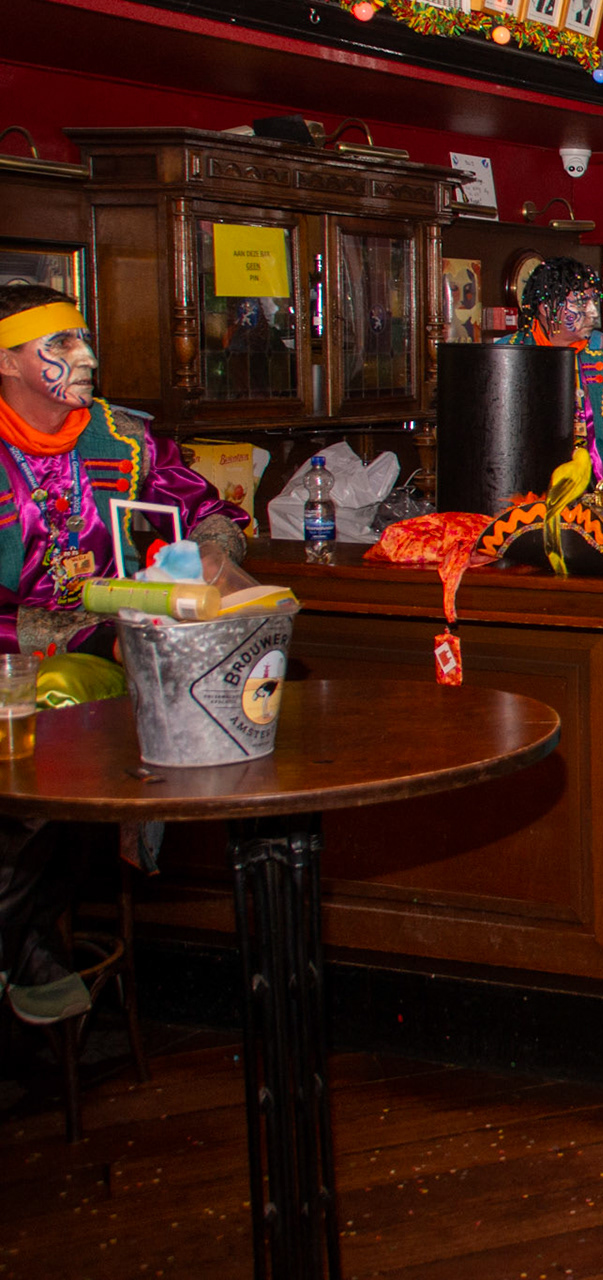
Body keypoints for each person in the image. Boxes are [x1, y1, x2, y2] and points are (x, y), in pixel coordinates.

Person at [0, 284, 250, 1026]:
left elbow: (210, 510)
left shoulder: (124, 438)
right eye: (60, 344)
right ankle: (28, 946)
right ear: (7, 362)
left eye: (83, 339)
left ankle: (21, 946)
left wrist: (212, 554)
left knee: (69, 712)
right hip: (8, 645)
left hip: (93, 642)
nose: (85, 357)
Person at [496, 257, 603, 487]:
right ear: (547, 307)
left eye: (594, 301)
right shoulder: (505, 355)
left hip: (598, 492)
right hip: (523, 492)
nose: (593, 312)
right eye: (582, 303)